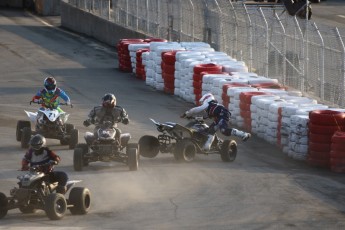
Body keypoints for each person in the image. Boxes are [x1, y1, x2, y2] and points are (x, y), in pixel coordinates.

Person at [181, 93, 251, 151]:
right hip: (219, 117)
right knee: (210, 131)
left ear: (206, 99)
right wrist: (194, 118)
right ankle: (206, 147)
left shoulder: (209, 103)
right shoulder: (212, 107)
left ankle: (244, 134)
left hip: (223, 115)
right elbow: (205, 117)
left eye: (202, 102)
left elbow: (196, 110)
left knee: (224, 130)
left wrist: (187, 113)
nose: (202, 104)